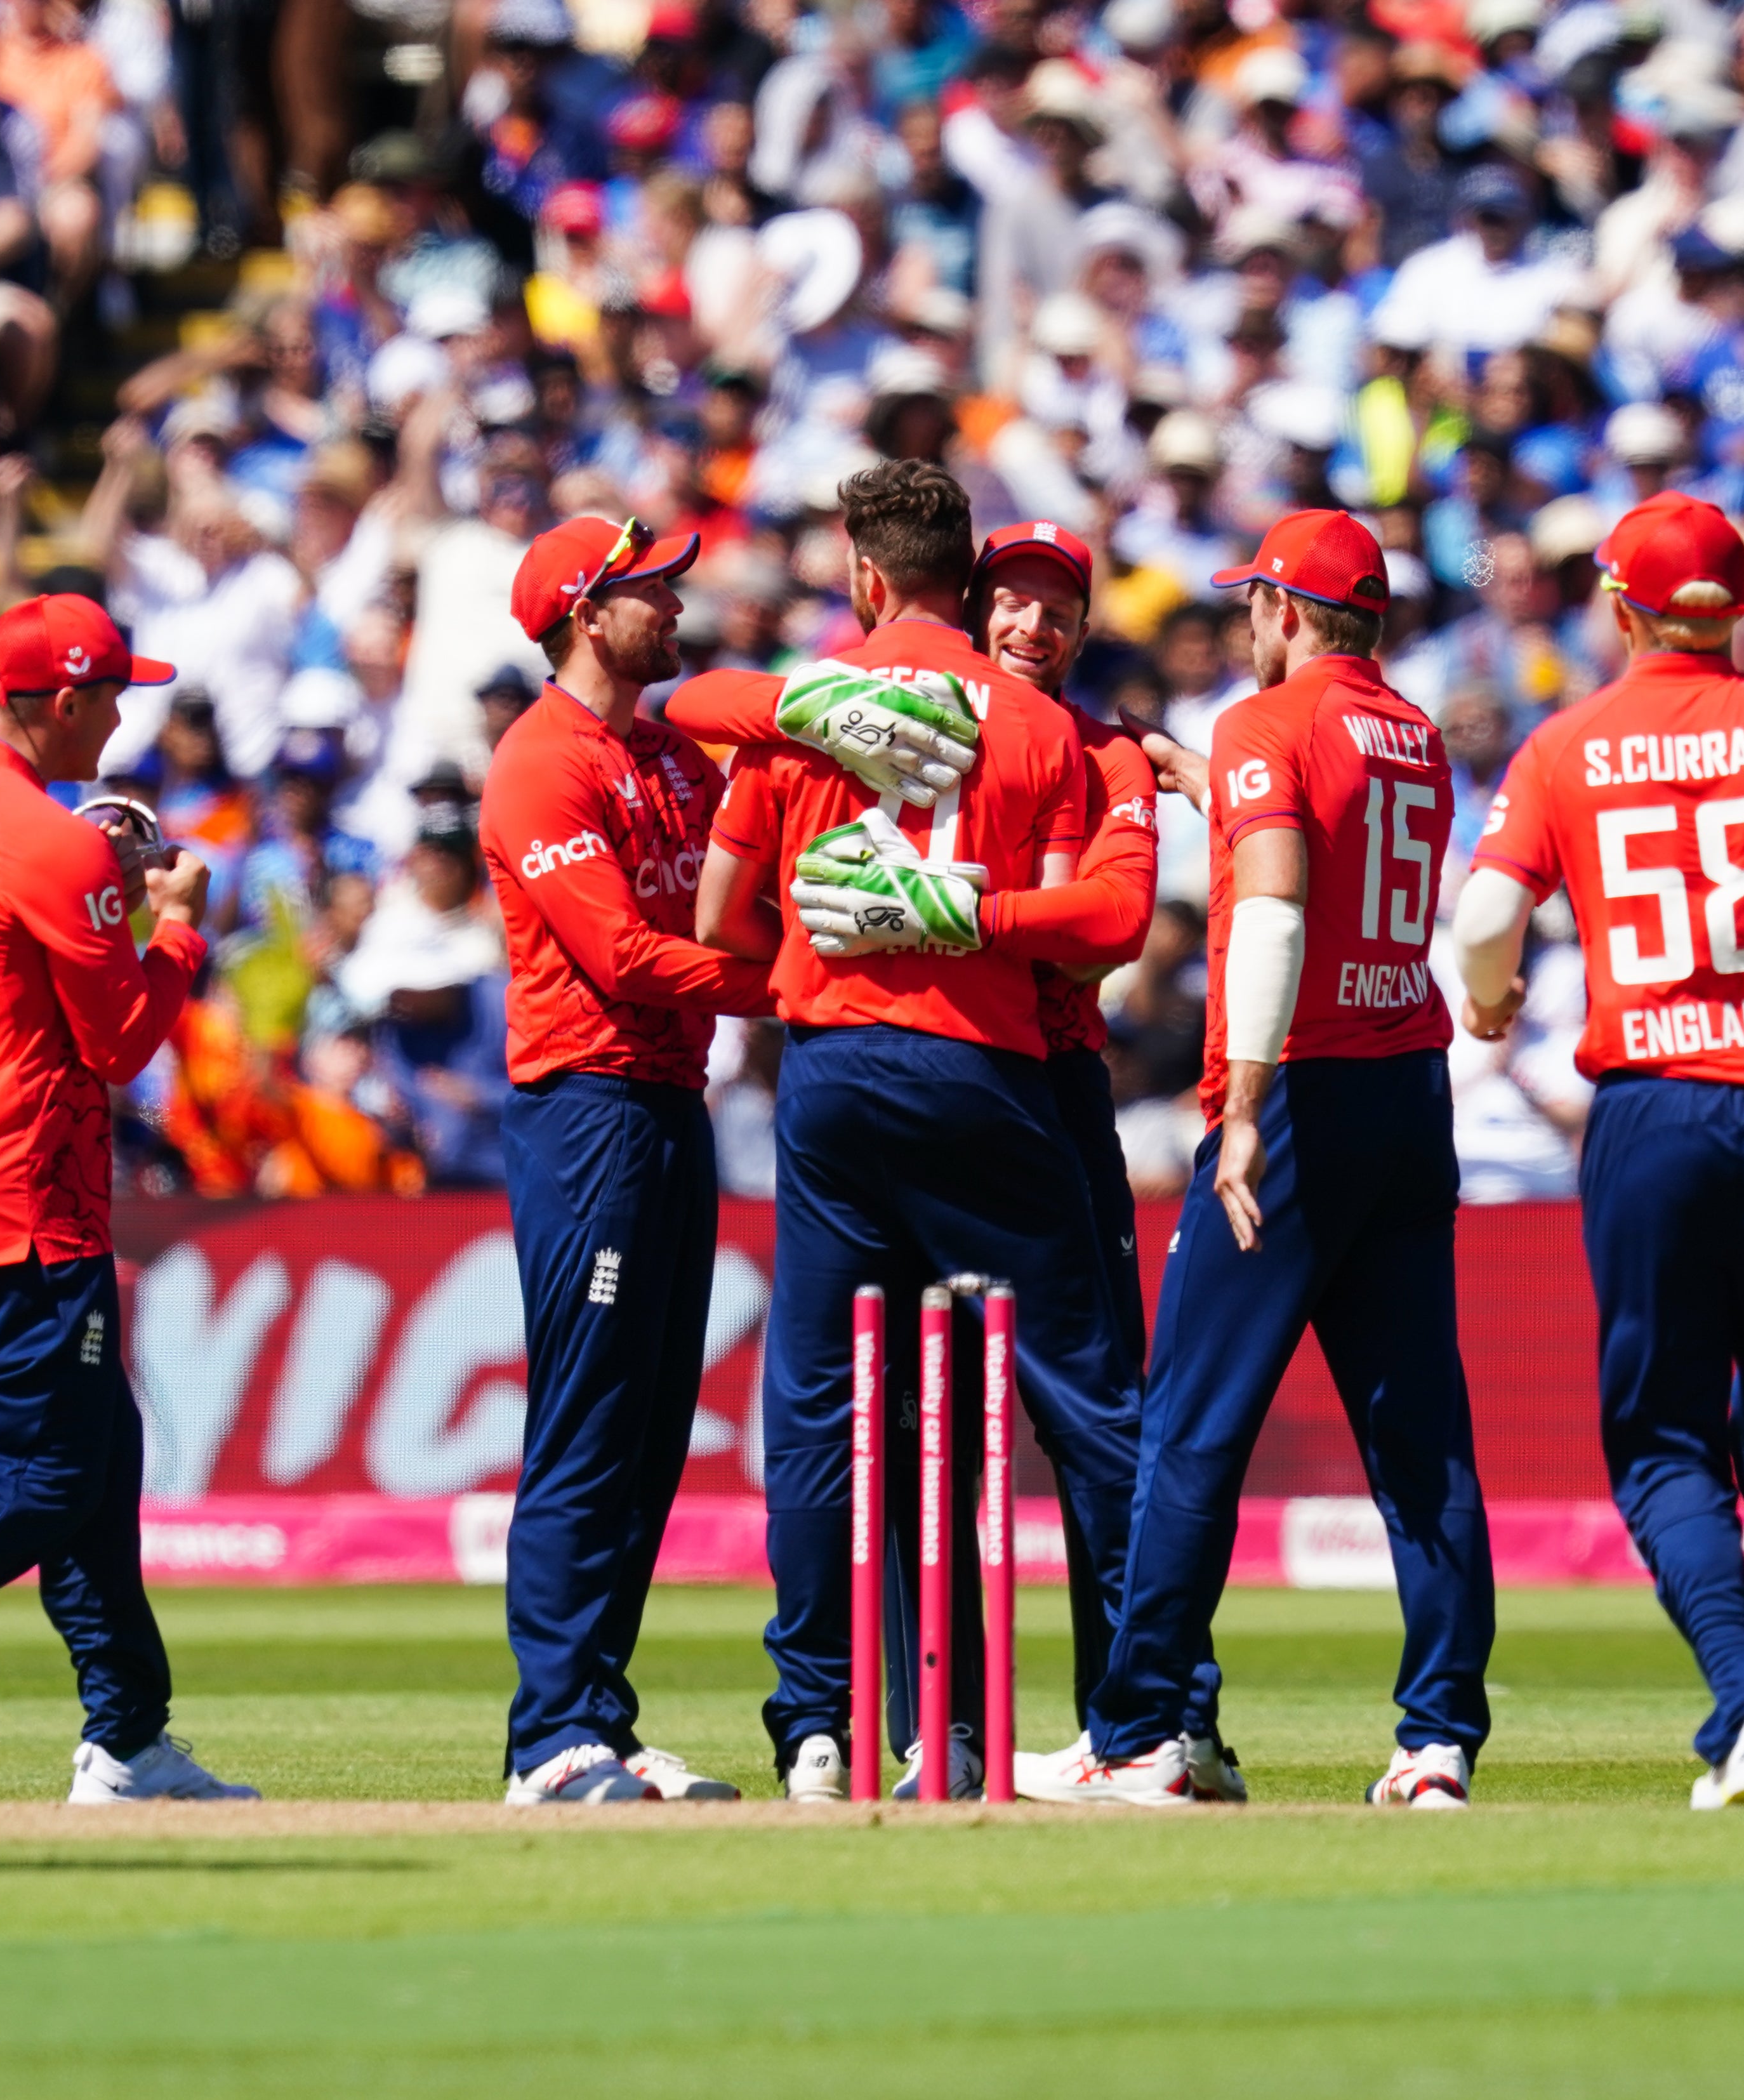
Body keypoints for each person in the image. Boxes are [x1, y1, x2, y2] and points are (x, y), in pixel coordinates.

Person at [668, 519, 1221, 1786]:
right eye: (1013, 605)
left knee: (1032, 1405)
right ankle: (940, 1723)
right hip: (985, 1078)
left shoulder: (1098, 745)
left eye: (1058, 611)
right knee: (976, 1418)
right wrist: (808, 700)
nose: (1034, 627)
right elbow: (707, 713)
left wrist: (951, 909)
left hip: (1044, 1081)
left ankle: (1151, 1714)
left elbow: (1107, 933)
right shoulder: (871, 722)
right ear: (971, 610)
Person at [1450, 494, 1744, 1809]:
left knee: (1662, 1433)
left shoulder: (1566, 742)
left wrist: (1490, 1003)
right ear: (1742, 616)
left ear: (1619, 609)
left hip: (1651, 1108)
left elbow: (1485, 915)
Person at [1021, 512, 1493, 1812]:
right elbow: (1322, 845)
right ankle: (1438, 1734)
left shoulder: (1264, 725)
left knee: (1188, 1426)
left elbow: (1278, 902)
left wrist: (1242, 1108)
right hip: (1407, 1084)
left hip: (1301, 1094)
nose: (1242, 626)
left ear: (1285, 611)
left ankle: (1141, 1733)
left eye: (1252, 606)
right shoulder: (1412, 735)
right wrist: (1195, 773)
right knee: (1418, 1436)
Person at [0, 593, 258, 1807]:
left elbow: (1, 943)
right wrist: (174, 929)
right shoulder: (52, 840)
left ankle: (127, 1734)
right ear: (64, 702)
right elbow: (121, 1039)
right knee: (31, 1477)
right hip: (21, 1190)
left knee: (97, 1449)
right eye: (113, 695)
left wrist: (99, 889)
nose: (126, 714)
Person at [479, 514, 772, 1804]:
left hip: (666, 1102)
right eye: (649, 586)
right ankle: (550, 1735)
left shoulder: (661, 750)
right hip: (586, 1107)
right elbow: (625, 957)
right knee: (591, 1422)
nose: (674, 598)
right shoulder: (540, 762)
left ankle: (598, 1709)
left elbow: (732, 893)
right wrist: (793, 987)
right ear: (585, 612)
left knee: (649, 1429)